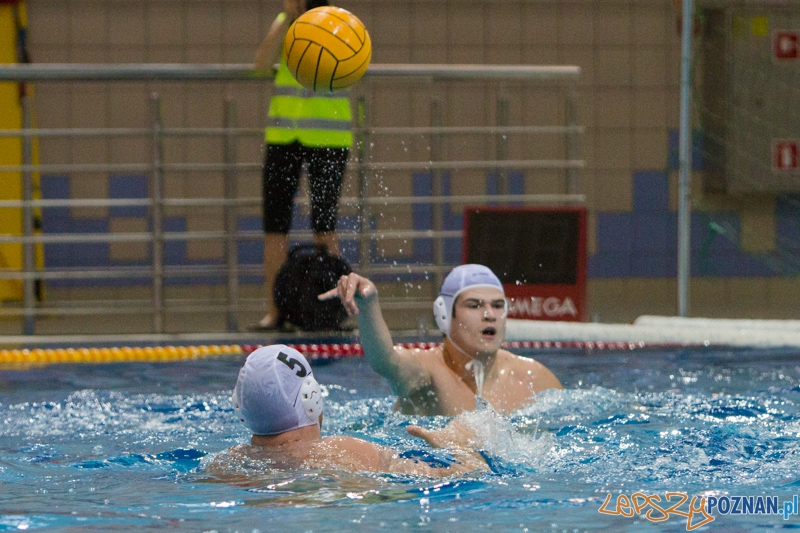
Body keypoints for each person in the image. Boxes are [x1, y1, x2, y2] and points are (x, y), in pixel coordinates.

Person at [205, 345, 488, 477]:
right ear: (311, 398)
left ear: (240, 408)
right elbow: (471, 476)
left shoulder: (222, 468)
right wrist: (463, 450)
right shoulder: (350, 453)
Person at [319, 264, 563, 416]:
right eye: (474, 305)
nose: (489, 314)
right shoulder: (427, 372)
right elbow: (385, 361)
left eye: (498, 306)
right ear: (445, 315)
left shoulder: (534, 377)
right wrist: (369, 304)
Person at [250, 0, 353, 331]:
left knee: (325, 226)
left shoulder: (338, 23)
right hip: (284, 136)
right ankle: (275, 312)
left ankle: (333, 310)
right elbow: (261, 65)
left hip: (328, 137)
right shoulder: (283, 24)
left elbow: (352, 66)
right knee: (275, 227)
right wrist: (283, 25)